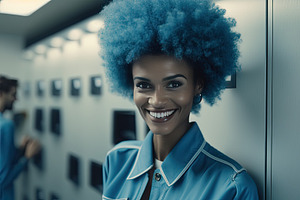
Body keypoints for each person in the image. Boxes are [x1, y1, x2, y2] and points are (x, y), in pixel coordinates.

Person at [99, 0, 259, 199]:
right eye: (143, 85)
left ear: (198, 84)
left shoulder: (231, 186)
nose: (157, 101)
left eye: (173, 84)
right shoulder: (117, 160)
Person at [0, 75, 41, 200]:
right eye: (13, 94)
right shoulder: (6, 125)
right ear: (1, 94)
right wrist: (26, 158)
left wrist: (19, 150)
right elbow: (3, 180)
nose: (16, 99)